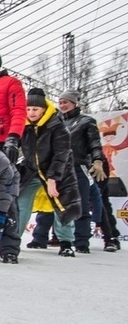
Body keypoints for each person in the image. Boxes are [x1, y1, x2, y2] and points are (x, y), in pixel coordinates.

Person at [17, 88, 81, 257]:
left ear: (44, 109)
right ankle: (12, 239)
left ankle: (66, 242)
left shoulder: (57, 126)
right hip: (32, 170)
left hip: (57, 170)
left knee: (61, 203)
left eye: (35, 109)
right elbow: (13, 142)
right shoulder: (23, 125)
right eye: (28, 109)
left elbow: (62, 154)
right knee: (21, 202)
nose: (31, 113)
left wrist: (53, 179)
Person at [57, 89, 105, 253]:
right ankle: (60, 237)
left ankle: (82, 241)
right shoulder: (56, 122)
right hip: (58, 168)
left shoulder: (86, 121)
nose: (63, 105)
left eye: (66, 102)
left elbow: (94, 143)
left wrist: (98, 160)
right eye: (61, 102)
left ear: (75, 103)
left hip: (78, 166)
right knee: (59, 204)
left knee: (81, 203)